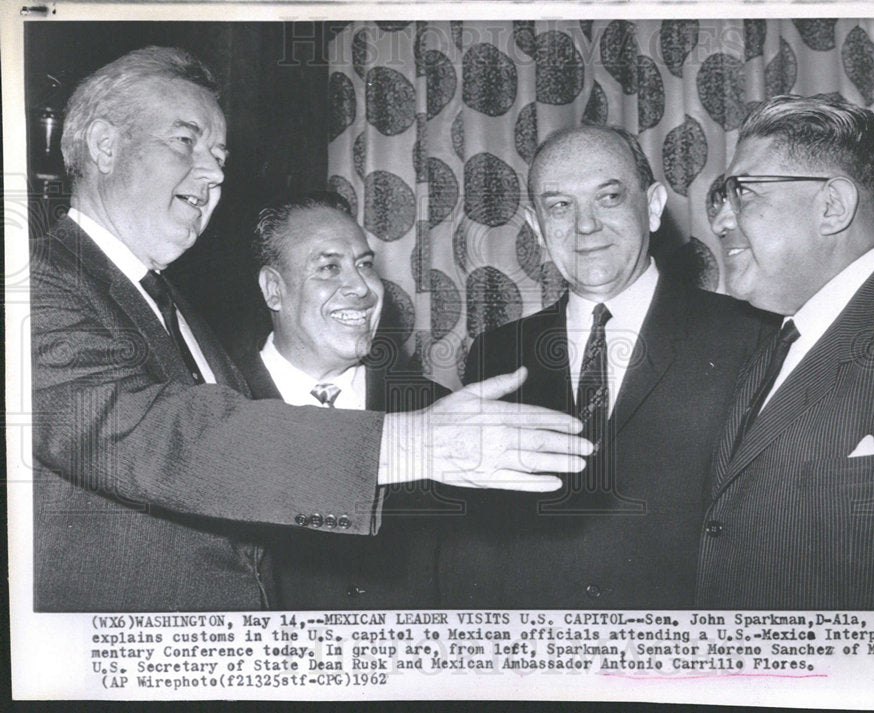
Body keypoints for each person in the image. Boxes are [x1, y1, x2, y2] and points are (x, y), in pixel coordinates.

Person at [30, 46, 592, 612]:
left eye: (219, 153)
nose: (215, 171)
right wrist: (408, 442)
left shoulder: (173, 307)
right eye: (185, 141)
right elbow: (153, 436)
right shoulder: (35, 284)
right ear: (105, 145)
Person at [438, 125, 774, 609]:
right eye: (559, 206)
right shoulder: (497, 353)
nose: (586, 226)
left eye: (609, 197)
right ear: (535, 226)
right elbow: (480, 538)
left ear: (654, 206)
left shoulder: (748, 337)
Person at [696, 94, 874, 609]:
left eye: (744, 193)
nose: (719, 222)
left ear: (832, 206)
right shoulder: (766, 350)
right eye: (722, 196)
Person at [230, 191, 449, 609]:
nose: (362, 288)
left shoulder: (434, 410)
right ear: (273, 289)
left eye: (365, 265)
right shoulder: (214, 408)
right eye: (329, 267)